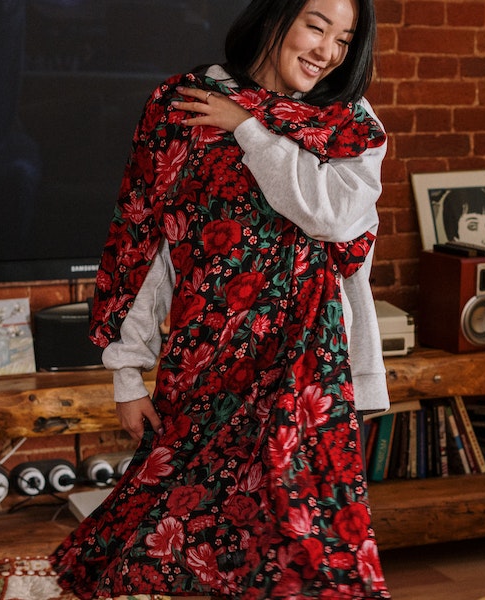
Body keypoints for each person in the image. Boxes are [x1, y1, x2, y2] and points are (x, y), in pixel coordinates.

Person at [50, 1, 392, 598]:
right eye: (317, 25)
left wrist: (248, 127)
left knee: (307, 538)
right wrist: (127, 372)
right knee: (166, 525)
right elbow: (150, 242)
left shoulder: (350, 122)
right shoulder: (184, 102)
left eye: (345, 38)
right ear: (277, 14)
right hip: (208, 354)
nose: (328, 51)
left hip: (307, 359)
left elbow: (332, 216)